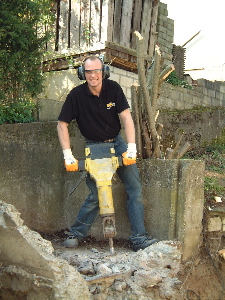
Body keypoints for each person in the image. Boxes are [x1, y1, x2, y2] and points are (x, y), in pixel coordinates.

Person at [57, 55, 158, 251]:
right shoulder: (76, 96)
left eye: (96, 70)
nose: (93, 75)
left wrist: (131, 148)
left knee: (134, 190)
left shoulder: (114, 89)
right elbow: (62, 125)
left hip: (117, 144)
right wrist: (68, 155)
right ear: (82, 74)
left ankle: (139, 238)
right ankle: (76, 233)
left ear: (104, 72)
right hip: (93, 147)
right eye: (88, 71)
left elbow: (127, 118)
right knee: (95, 195)